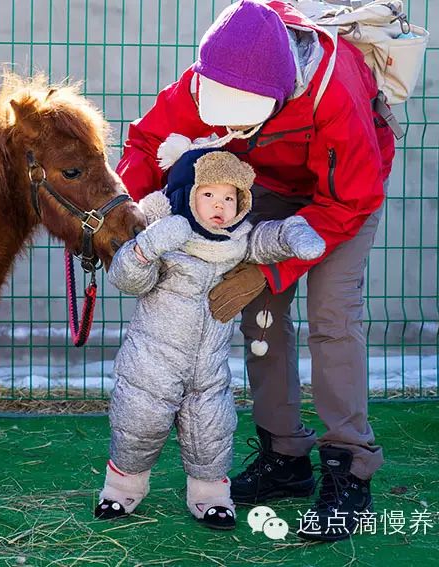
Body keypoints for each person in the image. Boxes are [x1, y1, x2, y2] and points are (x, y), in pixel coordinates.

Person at [114, 0, 395, 541]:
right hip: (262, 186)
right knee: (261, 318)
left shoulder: (332, 89)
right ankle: (283, 456)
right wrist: (128, 217)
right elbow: (149, 144)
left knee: (332, 316)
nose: (219, 117)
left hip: (342, 199)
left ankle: (350, 469)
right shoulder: (211, 74)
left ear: (277, 90)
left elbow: (351, 198)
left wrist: (269, 270)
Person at [94, 148, 324, 530]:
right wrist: (148, 247)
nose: (220, 206)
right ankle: (121, 490)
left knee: (211, 427)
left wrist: (292, 233)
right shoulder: (167, 236)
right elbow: (129, 279)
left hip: (208, 367)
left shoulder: (237, 240)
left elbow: (265, 240)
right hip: (152, 361)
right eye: (208, 195)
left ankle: (211, 497)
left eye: (229, 198)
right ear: (186, 194)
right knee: (139, 422)